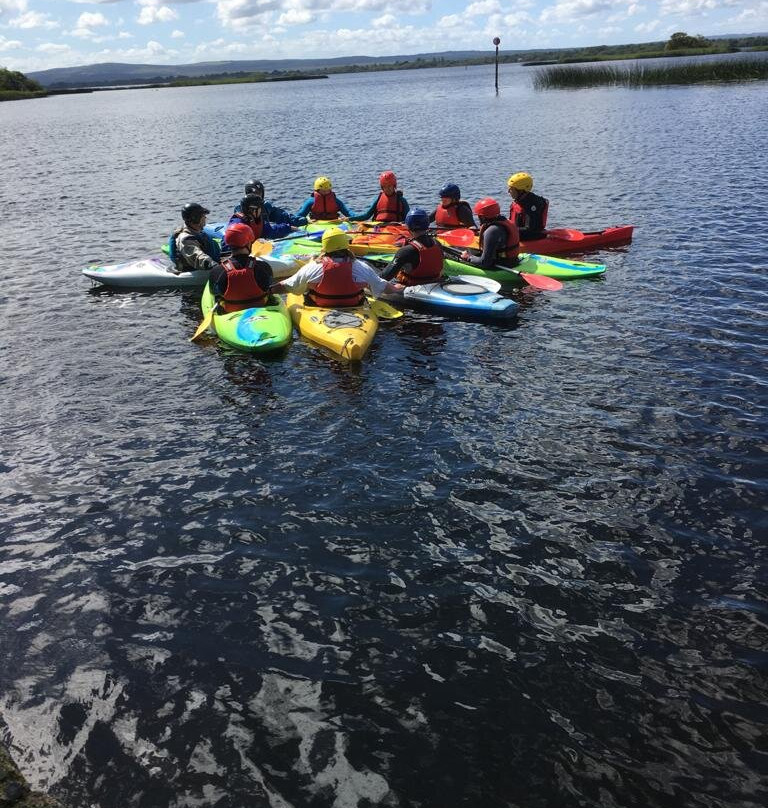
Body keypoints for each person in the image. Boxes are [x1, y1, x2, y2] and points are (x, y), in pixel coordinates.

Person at [273, 227, 403, 306]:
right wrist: (397, 288)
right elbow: (383, 286)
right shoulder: (360, 267)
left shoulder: (313, 268)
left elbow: (287, 285)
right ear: (345, 245)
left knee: (304, 289)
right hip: (354, 306)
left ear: (325, 246)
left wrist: (267, 291)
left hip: (321, 307)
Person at [209, 223, 274, 312]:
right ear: (248, 243)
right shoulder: (263, 267)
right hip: (261, 311)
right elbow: (269, 288)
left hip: (231, 314)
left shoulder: (217, 271)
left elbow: (214, 293)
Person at [379, 209, 444, 285]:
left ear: (408, 226)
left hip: (412, 287)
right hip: (435, 282)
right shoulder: (437, 243)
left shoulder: (405, 251)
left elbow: (386, 276)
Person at [460, 198, 519, 269]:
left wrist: (468, 257)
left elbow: (485, 262)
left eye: (479, 216)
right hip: (513, 260)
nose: (478, 218)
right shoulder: (506, 222)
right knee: (471, 249)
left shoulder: (491, 231)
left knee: (464, 253)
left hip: (503, 265)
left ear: (482, 217)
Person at [168, 202, 224, 274]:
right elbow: (197, 256)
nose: (205, 218)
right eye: (203, 216)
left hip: (214, 262)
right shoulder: (185, 239)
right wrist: (214, 265)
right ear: (196, 219)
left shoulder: (196, 231)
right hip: (198, 270)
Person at [226, 194, 294, 248]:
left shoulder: (258, 220)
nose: (261, 210)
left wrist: (288, 227)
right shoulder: (238, 223)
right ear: (250, 210)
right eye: (259, 208)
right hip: (242, 255)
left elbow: (270, 231)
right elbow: (228, 243)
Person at [235, 178, 308, 227]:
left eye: (259, 193)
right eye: (255, 194)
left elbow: (283, 216)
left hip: (263, 237)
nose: (257, 197)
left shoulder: (266, 206)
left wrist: (301, 221)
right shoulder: (240, 209)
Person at [506, 172, 549, 240]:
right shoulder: (518, 200)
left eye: (511, 189)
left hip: (532, 236)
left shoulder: (532, 204)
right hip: (518, 233)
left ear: (520, 191)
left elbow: (529, 229)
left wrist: (508, 230)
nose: (508, 191)